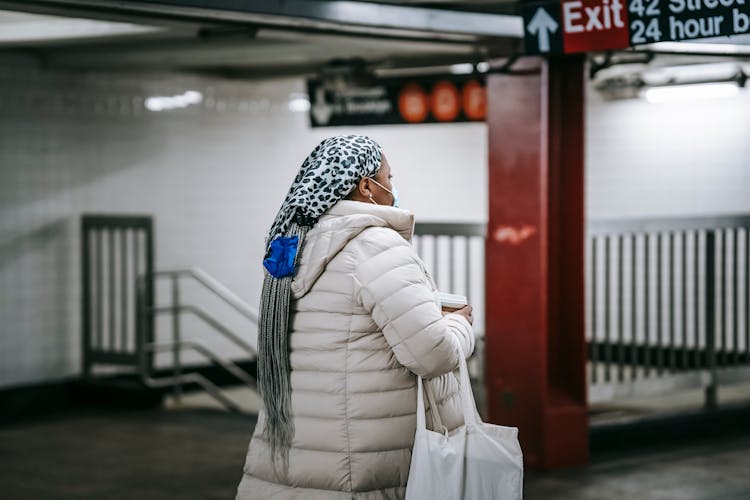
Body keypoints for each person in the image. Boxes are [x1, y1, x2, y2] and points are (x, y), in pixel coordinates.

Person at [236, 134, 475, 499]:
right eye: (389, 178)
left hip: (293, 460)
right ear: (367, 187)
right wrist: (459, 325)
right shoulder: (375, 246)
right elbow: (433, 354)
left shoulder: (292, 248)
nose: (393, 188)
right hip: (360, 467)